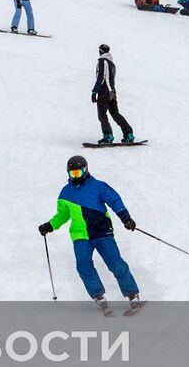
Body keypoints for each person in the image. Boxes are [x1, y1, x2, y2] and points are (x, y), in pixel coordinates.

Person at [39, 155, 143, 313]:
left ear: (86, 170)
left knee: (115, 263)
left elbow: (115, 200)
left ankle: (132, 294)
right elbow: (62, 215)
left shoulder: (99, 186)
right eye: (72, 174)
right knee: (83, 266)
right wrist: (50, 225)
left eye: (78, 173)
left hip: (102, 233)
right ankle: (98, 296)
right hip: (80, 236)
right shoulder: (65, 192)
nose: (76, 177)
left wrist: (125, 217)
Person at [91, 44, 135, 144]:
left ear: (100, 51)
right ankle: (128, 133)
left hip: (104, 91)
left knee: (102, 115)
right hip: (112, 91)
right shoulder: (111, 63)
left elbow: (101, 77)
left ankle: (108, 136)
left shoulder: (102, 61)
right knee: (115, 113)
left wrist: (94, 91)